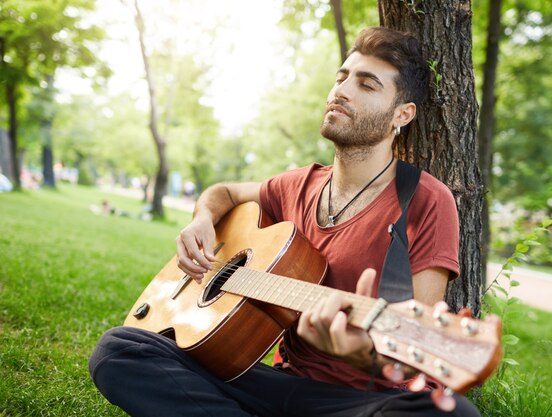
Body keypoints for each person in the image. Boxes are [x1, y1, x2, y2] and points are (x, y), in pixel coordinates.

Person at [89, 27, 481, 416]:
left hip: (364, 399)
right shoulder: (297, 184)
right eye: (341, 77)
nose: (341, 91)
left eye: (367, 84)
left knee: (454, 415)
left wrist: (361, 354)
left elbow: (417, 356)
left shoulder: (426, 200)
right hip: (282, 383)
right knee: (120, 350)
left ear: (402, 114)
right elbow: (223, 193)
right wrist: (202, 220)